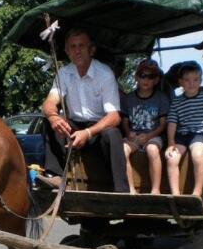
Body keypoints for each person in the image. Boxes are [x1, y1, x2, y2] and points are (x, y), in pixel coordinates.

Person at [41, 28, 129, 192]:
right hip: (74, 127)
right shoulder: (64, 73)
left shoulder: (104, 73)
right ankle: (55, 176)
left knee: (113, 134)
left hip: (98, 128)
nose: (77, 51)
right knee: (49, 121)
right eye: (73, 47)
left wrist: (87, 133)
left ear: (92, 50)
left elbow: (114, 117)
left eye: (82, 46)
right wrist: (54, 117)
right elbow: (49, 102)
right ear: (67, 52)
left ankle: (120, 192)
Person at [165, 62, 203, 196]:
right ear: (180, 82)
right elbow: (172, 123)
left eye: (195, 80)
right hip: (182, 135)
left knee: (197, 155)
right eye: (187, 80)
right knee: (171, 158)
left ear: (200, 81)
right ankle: (175, 194)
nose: (191, 83)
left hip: (200, 134)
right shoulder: (177, 101)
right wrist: (171, 144)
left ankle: (197, 193)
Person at [121, 59, 169, 194]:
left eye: (151, 76)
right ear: (137, 77)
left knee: (152, 149)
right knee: (123, 150)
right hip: (134, 136)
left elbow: (163, 124)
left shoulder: (161, 98)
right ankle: (130, 189)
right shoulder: (129, 98)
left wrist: (149, 135)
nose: (146, 80)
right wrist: (128, 132)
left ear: (156, 80)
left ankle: (155, 189)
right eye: (143, 76)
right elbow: (125, 121)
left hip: (153, 136)